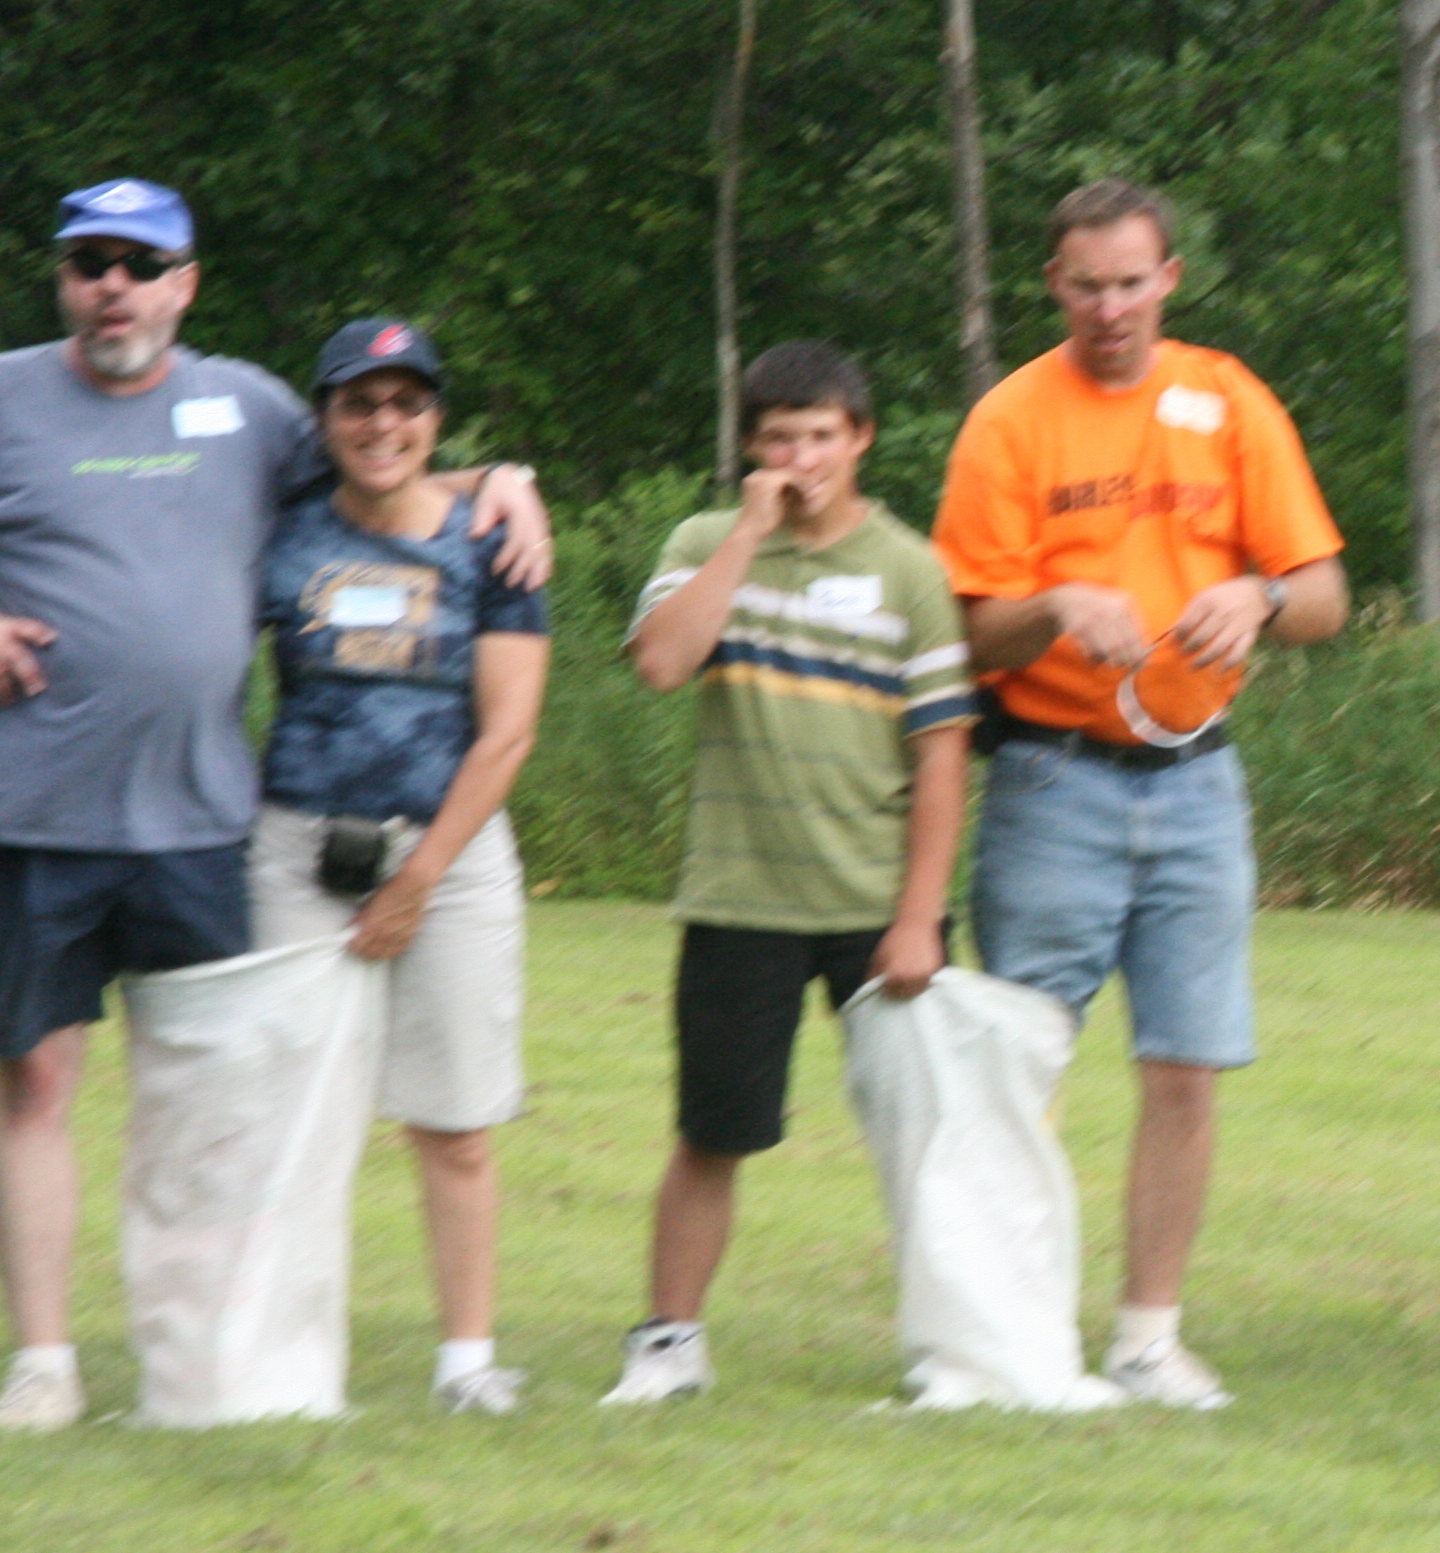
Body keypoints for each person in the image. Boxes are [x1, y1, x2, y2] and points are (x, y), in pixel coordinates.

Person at [0, 179, 544, 1436]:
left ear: (185, 284)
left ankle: (211, 1358)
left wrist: (504, 478)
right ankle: (45, 1363)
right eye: (91, 262)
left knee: (217, 1100)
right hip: (35, 811)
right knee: (35, 1087)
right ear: (64, 278)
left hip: (199, 824)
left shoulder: (246, 407)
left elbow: (385, 469)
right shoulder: (8, 394)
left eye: (142, 265)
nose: (115, 286)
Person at [932, 180, 1349, 1410]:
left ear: (1169, 279)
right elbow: (968, 632)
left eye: (1129, 283)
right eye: (1086, 286)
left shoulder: (1227, 400)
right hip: (1052, 776)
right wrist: (1058, 605)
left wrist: (1260, 597)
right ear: (1052, 287)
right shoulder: (1013, 421)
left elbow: (1325, 595)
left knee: (1184, 1068)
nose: (1109, 308)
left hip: (1198, 781)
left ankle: (1148, 1339)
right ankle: (1001, 1336)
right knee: (1018, 1065)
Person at [606, 341, 973, 1405]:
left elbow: (942, 755)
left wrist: (919, 917)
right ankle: (669, 1344)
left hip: (875, 903)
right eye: (778, 440)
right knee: (712, 1132)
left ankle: (956, 1349)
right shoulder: (705, 540)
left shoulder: (911, 569)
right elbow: (662, 663)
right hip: (741, 897)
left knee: (925, 1143)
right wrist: (748, 536)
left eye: (821, 437)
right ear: (750, 450)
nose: (802, 459)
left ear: (860, 440)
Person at [246, 319, 550, 1414]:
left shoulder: (491, 543)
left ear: (435, 418)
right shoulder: (280, 534)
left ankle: (467, 1363)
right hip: (297, 848)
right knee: (288, 1118)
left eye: (406, 403)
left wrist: (418, 881)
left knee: (455, 1122)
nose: (383, 424)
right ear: (325, 419)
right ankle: (278, 1361)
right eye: (359, 403)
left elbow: (507, 733)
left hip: (449, 856)